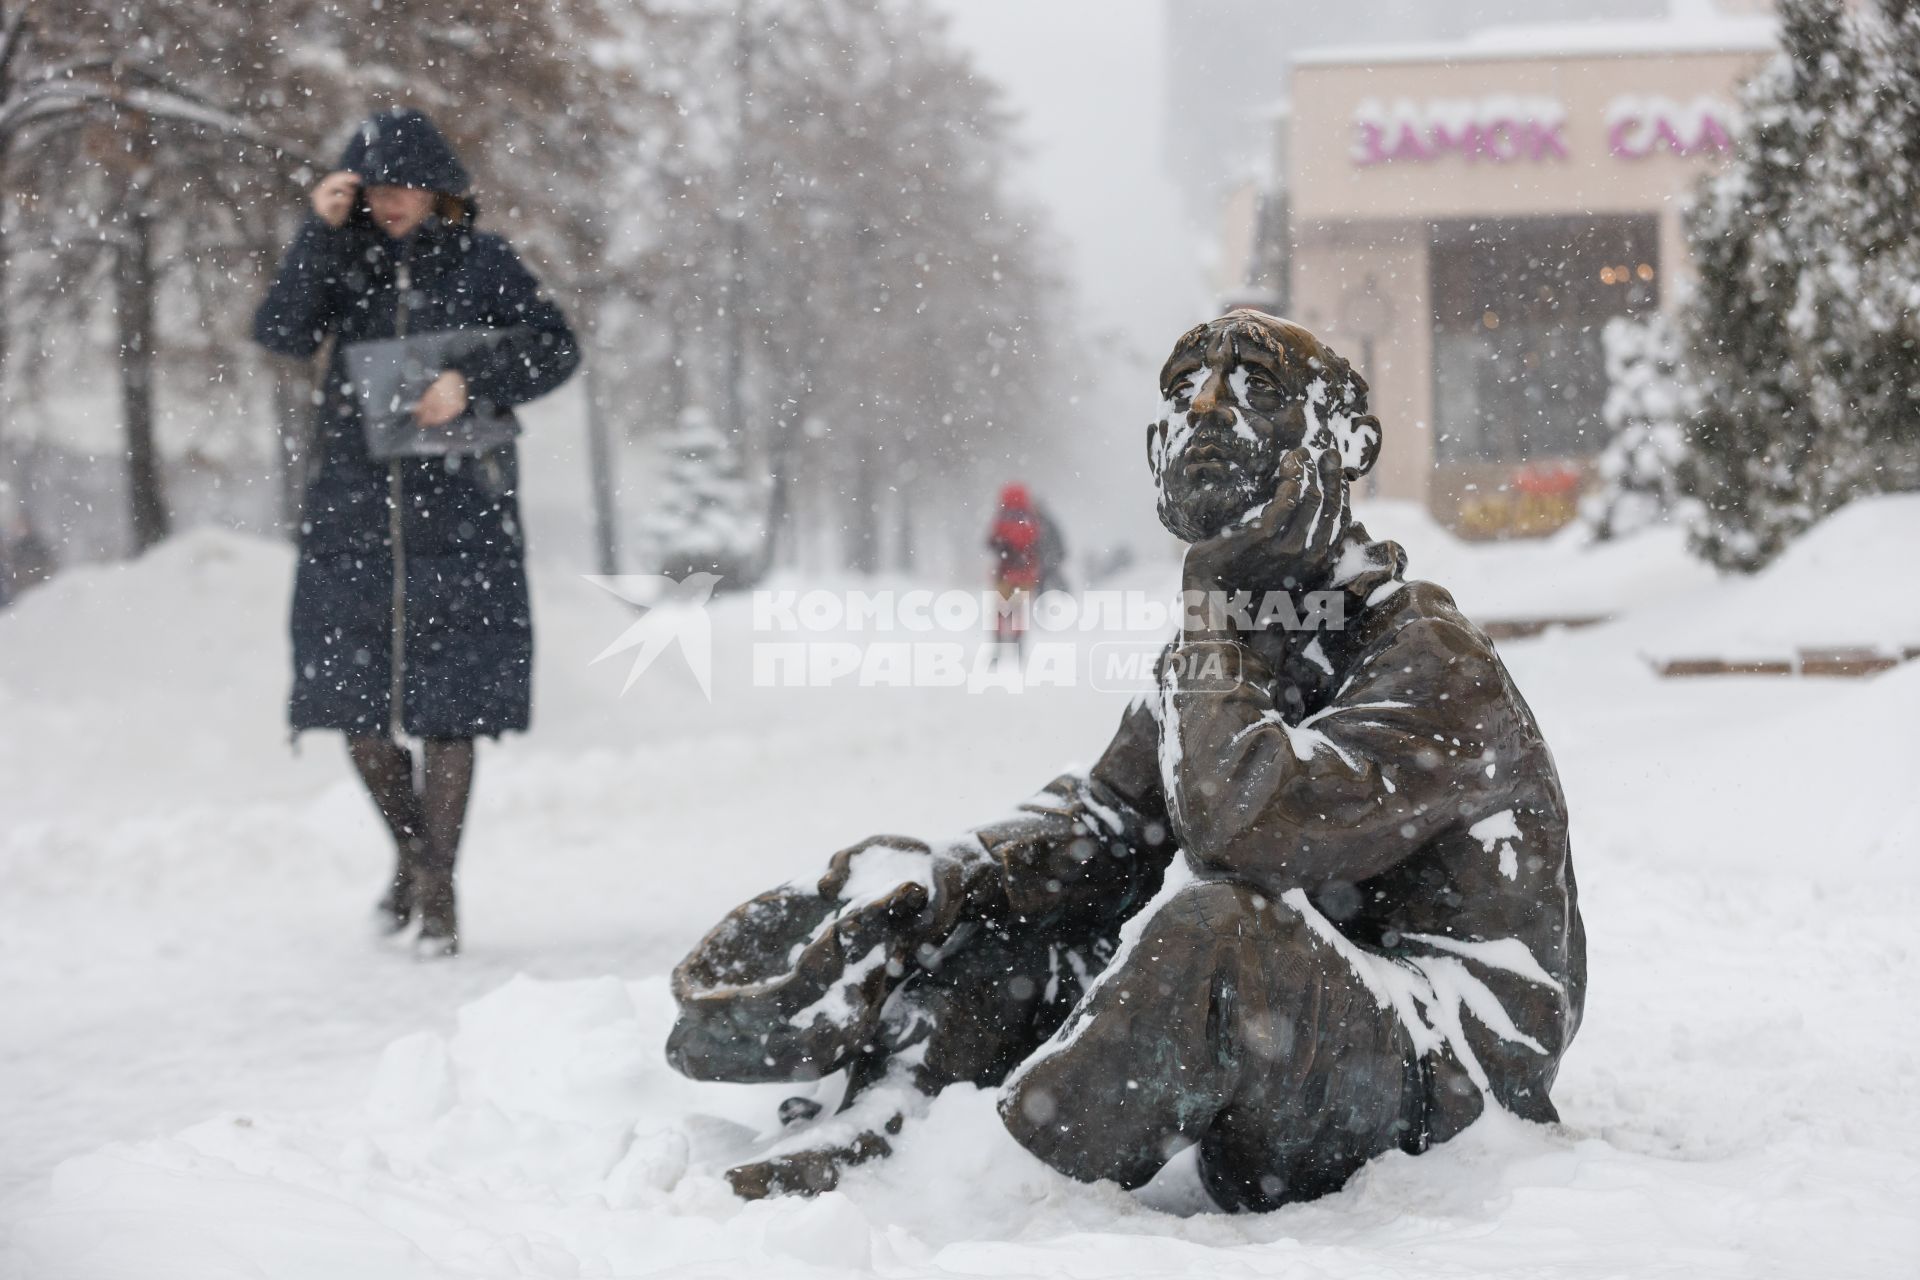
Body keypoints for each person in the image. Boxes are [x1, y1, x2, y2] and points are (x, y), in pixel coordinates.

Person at [669, 311, 1585, 1210]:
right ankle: (897, 1119)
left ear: (1343, 443)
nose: (1209, 410)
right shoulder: (1242, 634)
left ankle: (999, 1184)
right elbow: (1113, 820)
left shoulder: (1424, 653)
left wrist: (1211, 608)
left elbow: (1247, 835)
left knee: (1215, 935)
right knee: (1020, 919)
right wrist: (947, 883)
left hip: (1453, 1067)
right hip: (1332, 1006)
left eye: (1255, 388)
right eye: (1186, 392)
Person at [253, 109, 579, 958]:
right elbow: (282, 332)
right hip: (353, 514)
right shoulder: (344, 258)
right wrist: (316, 234)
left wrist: (471, 380)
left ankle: (439, 892)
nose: (392, 202)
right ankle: (415, 858)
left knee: (450, 714)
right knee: (358, 716)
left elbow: (556, 348)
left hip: (461, 516)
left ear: (439, 189)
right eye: (376, 188)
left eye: (405, 186)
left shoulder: (484, 261)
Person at [986, 482, 1041, 659]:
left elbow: (991, 542)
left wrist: (1005, 550)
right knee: (1018, 611)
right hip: (1025, 574)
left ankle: (998, 646)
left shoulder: (1001, 519)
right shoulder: (1031, 519)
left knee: (1001, 611)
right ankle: (1019, 645)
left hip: (1004, 573)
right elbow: (1037, 545)